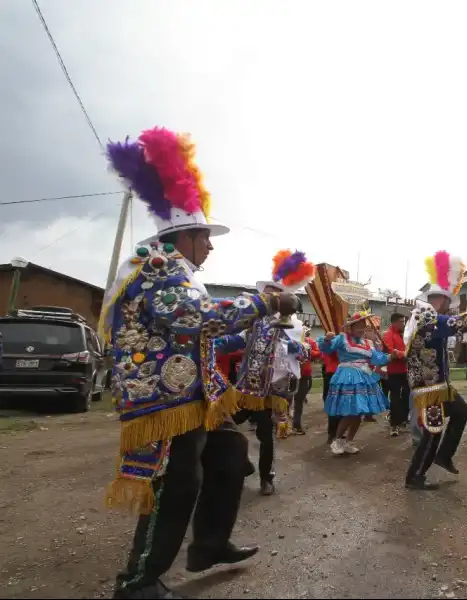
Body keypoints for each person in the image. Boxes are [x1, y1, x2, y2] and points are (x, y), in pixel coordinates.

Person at [102, 128, 301, 599]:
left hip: (195, 394)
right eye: (205, 238)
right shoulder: (160, 268)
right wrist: (265, 305)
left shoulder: (178, 271)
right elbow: (193, 321)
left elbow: (199, 335)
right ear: (185, 237)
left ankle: (209, 544)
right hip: (165, 399)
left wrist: (255, 328)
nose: (210, 247)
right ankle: (137, 581)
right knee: (176, 483)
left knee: (230, 456)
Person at [216, 250, 314, 495]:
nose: (270, 297)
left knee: (266, 438)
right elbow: (237, 341)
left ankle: (266, 478)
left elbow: (306, 354)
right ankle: (243, 463)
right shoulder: (253, 321)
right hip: (246, 387)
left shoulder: (297, 325)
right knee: (219, 424)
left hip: (273, 390)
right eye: (268, 293)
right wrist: (213, 343)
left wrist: (296, 347)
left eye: (275, 294)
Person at [404, 251, 467, 490]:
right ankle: (415, 476)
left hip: (438, 384)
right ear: (441, 300)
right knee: (433, 431)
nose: (448, 307)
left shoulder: (429, 316)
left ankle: (443, 456)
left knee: (461, 411)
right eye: (446, 302)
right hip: (429, 387)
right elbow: (462, 323)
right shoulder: (427, 317)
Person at [319, 311, 398, 455]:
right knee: (350, 411)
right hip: (348, 376)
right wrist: (326, 340)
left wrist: (391, 357)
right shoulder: (342, 339)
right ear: (350, 328)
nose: (361, 329)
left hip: (364, 377)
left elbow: (378, 359)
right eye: (358, 327)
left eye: (363, 326)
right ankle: (337, 440)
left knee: (359, 412)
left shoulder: (368, 343)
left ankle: (349, 441)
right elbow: (327, 349)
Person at [382, 312, 411, 437]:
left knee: (407, 395)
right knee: (395, 398)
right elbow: (390, 351)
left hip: (405, 370)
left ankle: (403, 419)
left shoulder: (404, 334)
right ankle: (394, 424)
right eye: (401, 321)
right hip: (393, 371)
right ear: (394, 322)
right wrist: (404, 354)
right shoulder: (388, 334)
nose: (403, 324)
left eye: (404, 321)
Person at [292, 329, 321, 435]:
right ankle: (282, 424)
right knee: (286, 400)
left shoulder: (310, 342)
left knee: (299, 400)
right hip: (290, 374)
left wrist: (307, 350)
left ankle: (296, 424)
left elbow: (318, 353)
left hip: (305, 374)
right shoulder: (289, 340)